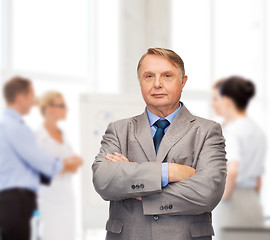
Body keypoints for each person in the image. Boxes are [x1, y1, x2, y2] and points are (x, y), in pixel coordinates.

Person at [92, 48, 227, 240]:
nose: (157, 84)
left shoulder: (207, 131)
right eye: (148, 76)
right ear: (140, 82)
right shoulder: (119, 130)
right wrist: (168, 172)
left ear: (183, 82)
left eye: (167, 76)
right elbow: (104, 180)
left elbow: (207, 192)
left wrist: (134, 186)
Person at [0, 76, 82, 240]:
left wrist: (67, 164)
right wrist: (65, 165)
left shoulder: (62, 135)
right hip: (29, 199)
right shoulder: (19, 128)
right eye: (31, 96)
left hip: (62, 197)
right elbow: (41, 164)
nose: (33, 102)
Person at [212, 76, 266, 239]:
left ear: (227, 101)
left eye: (217, 99)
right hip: (252, 202)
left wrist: (221, 198)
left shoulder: (232, 132)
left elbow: (232, 171)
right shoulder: (257, 130)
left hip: (233, 202)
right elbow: (258, 180)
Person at [36, 91, 82, 240]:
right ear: (48, 109)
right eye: (61, 106)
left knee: (69, 235)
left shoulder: (62, 134)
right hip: (50, 198)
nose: (65, 109)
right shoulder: (39, 137)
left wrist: (64, 165)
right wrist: (65, 165)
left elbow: (73, 162)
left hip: (67, 197)